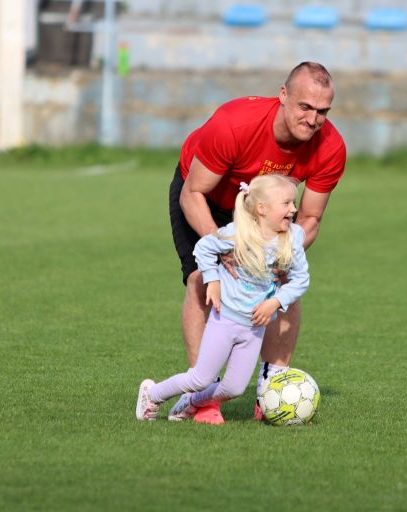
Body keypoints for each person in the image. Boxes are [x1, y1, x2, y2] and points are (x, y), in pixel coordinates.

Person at [169, 61, 346, 424]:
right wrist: (228, 248)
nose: (313, 120)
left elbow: (310, 219)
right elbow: (192, 194)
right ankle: (203, 398)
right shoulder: (236, 123)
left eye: (322, 112)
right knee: (202, 281)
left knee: (284, 288)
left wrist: (284, 258)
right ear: (283, 96)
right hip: (207, 199)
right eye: (305, 107)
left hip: (268, 217)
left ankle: (271, 393)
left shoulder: (330, 147)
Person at [137, 175, 310, 422]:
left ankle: (192, 401)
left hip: (254, 329)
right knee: (200, 378)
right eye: (287, 203)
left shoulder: (291, 238)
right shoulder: (238, 233)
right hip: (225, 320)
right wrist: (214, 281)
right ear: (262, 209)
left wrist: (275, 302)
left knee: (234, 389)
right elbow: (204, 248)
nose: (294, 209)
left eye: (294, 203)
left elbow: (301, 279)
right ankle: (152, 394)